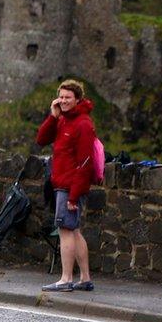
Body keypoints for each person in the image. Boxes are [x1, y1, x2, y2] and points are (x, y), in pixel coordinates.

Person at [37, 79, 97, 292]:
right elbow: (41, 139)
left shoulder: (83, 124)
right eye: (61, 97)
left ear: (78, 99)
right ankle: (85, 278)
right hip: (62, 183)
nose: (63, 101)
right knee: (74, 230)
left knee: (65, 230)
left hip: (69, 186)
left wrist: (74, 196)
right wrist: (53, 116)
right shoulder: (62, 120)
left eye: (67, 98)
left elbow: (85, 163)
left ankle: (66, 278)